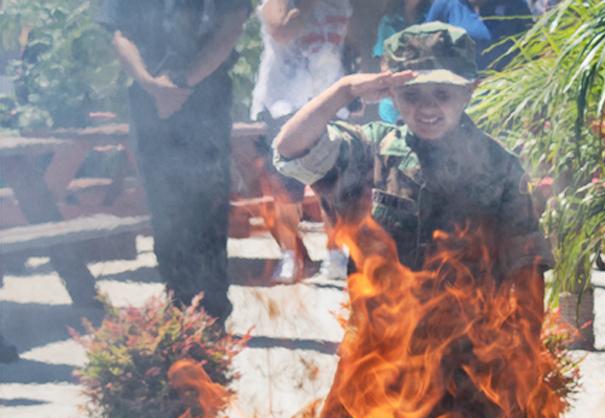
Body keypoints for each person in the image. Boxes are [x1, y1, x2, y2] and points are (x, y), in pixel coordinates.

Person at [274, 22, 552, 418]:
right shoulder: (368, 152)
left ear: (469, 93)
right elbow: (288, 148)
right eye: (412, 96)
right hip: (378, 368)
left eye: (442, 94)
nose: (427, 109)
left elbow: (527, 272)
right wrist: (345, 89)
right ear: (392, 94)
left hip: (470, 375)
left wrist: (524, 365)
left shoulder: (501, 170)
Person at [96, 0, 251, 324]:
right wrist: (151, 85)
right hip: (147, 101)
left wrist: (183, 83)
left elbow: (231, 24)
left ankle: (210, 317)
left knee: (206, 212)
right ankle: (178, 308)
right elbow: (120, 32)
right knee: (164, 213)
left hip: (205, 99)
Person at [251, 0, 353, 283]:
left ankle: (335, 254)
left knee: (333, 183)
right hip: (285, 102)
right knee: (286, 187)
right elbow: (280, 30)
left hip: (329, 98)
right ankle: (291, 255)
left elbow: (348, 43)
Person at [426, 0, 533, 70]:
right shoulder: (445, 4)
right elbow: (425, 48)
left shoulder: (514, 4)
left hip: (505, 91)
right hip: (461, 92)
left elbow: (531, 46)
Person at [372, 0, 431, 124]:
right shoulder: (388, 22)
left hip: (426, 94)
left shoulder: (432, 16)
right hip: (395, 99)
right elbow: (384, 63)